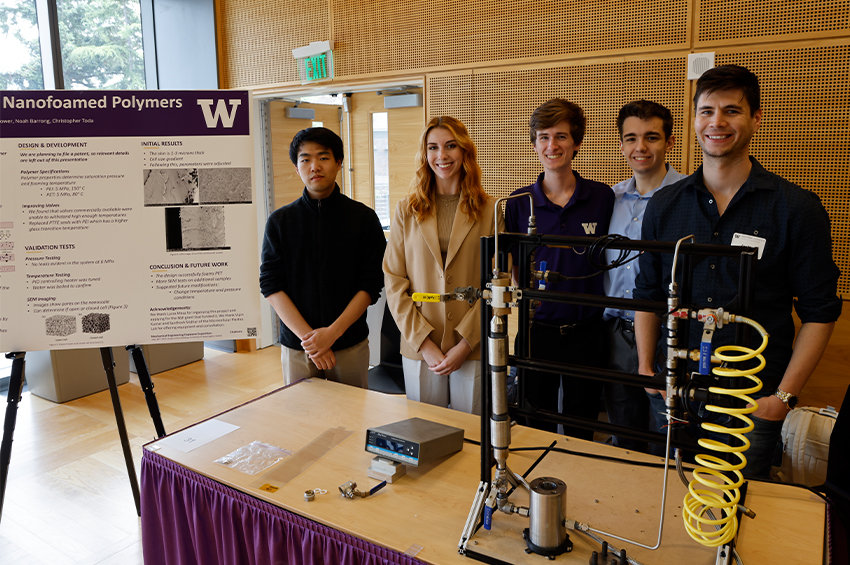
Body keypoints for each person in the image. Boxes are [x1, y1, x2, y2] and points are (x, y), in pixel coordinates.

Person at [634, 65, 842, 478]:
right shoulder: (664, 205)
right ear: (694, 119)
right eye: (707, 110)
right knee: (669, 504)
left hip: (753, 397)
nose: (717, 122)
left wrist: (782, 397)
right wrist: (646, 369)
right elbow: (648, 292)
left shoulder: (797, 209)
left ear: (756, 118)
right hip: (675, 389)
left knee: (741, 513)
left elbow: (820, 311)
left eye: (732, 110)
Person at [505, 99, 614, 439]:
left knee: (583, 424)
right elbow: (513, 267)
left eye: (561, 137)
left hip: (588, 331)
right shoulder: (517, 202)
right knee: (535, 423)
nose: (552, 146)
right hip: (538, 332)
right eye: (543, 137)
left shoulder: (602, 197)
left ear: (577, 143)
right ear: (534, 143)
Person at [383, 116, 502, 414]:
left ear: (464, 151)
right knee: (425, 430)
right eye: (433, 147)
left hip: (471, 343)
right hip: (419, 341)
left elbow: (500, 282)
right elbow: (394, 280)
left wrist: (466, 343)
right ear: (425, 155)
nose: (442, 156)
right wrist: (424, 343)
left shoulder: (492, 210)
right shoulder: (405, 210)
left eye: (451, 146)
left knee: (472, 433)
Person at [259, 127, 386, 388]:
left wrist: (331, 334)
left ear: (339, 162)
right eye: (305, 159)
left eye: (323, 157)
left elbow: (371, 284)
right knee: (303, 422)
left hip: (349, 344)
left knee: (352, 420)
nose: (314, 166)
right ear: (296, 167)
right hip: (298, 346)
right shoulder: (280, 221)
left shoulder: (363, 219)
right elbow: (271, 285)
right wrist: (313, 340)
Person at [602, 100, 686, 452]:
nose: (640, 147)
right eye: (631, 138)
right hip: (616, 332)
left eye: (651, 137)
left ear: (668, 142)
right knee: (624, 430)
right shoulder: (610, 199)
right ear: (621, 145)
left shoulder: (688, 197)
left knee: (666, 436)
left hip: (670, 334)